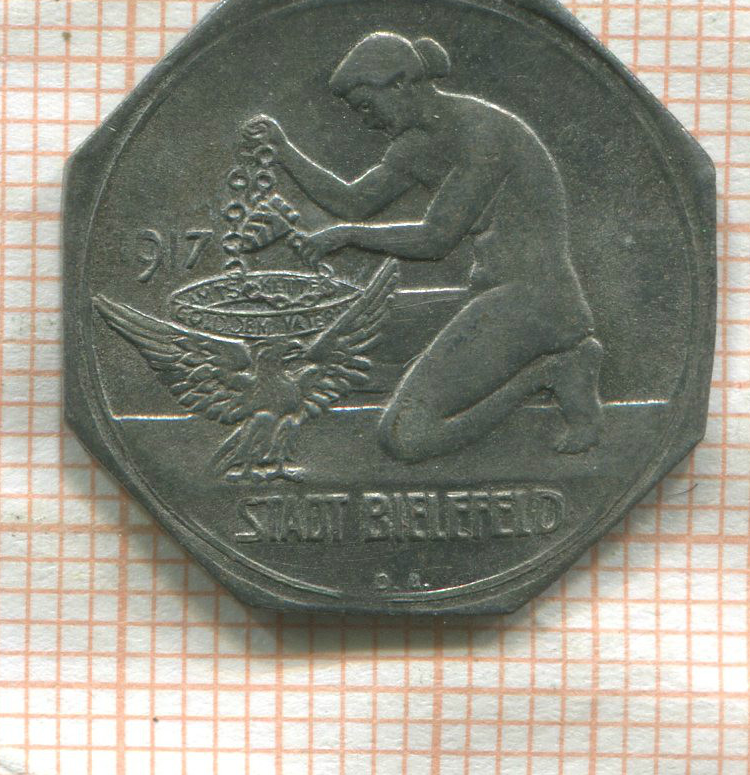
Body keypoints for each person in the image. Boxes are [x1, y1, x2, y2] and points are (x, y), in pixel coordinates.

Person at [242, 31, 603, 461]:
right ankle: (548, 367)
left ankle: (550, 372)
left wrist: (348, 235)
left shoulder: (483, 134)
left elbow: (436, 238)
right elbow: (355, 201)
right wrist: (283, 151)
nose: (366, 121)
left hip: (536, 303)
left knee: (406, 435)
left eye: (366, 106)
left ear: (399, 84)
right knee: (328, 342)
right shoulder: (418, 142)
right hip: (489, 291)